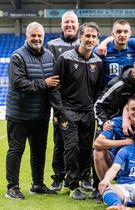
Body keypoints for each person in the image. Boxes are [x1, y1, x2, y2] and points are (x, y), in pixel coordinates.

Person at [5, 21, 58, 199]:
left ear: (43, 37)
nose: (36, 38)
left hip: (41, 115)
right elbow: (18, 83)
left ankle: (37, 184)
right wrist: (44, 84)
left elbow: (55, 84)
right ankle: (12, 187)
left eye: (39, 35)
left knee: (39, 151)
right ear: (27, 36)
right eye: (33, 35)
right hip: (19, 114)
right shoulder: (17, 56)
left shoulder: (50, 56)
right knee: (16, 150)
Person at [53, 22, 103, 200]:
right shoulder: (65, 58)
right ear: (80, 37)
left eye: (93, 36)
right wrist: (60, 111)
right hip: (68, 111)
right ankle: (72, 184)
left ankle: (84, 178)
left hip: (88, 112)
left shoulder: (98, 62)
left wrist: (94, 109)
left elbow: (97, 90)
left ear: (97, 40)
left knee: (85, 148)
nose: (90, 39)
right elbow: (55, 87)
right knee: (71, 147)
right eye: (87, 36)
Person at [46, 10, 81, 191]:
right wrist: (57, 106)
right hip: (60, 104)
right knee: (59, 142)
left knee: (80, 143)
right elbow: (51, 78)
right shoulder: (52, 45)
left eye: (72, 23)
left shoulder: (85, 43)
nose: (69, 25)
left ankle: (82, 177)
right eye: (66, 22)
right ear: (61, 25)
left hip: (81, 105)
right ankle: (58, 177)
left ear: (78, 25)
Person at [95, 57, 135, 132]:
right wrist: (104, 122)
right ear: (133, 72)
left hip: (132, 118)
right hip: (110, 121)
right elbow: (97, 105)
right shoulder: (119, 84)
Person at [95, 19, 135, 88]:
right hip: (107, 94)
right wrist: (103, 43)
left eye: (126, 32)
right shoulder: (102, 49)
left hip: (128, 94)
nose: (122, 35)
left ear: (130, 34)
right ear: (113, 34)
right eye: (118, 32)